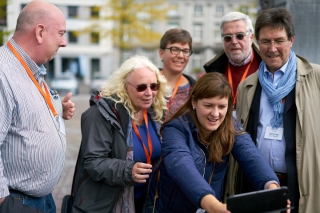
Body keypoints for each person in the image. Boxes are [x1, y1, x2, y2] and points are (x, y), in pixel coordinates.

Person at [144, 72, 282, 213]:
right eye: (208, 105)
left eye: (222, 107)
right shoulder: (175, 129)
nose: (215, 114)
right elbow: (182, 166)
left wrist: (272, 189)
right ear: (194, 102)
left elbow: (250, 154)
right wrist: (212, 205)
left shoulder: (230, 126)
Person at [234, 7, 320, 213]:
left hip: (301, 186)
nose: (272, 48)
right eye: (265, 41)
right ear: (257, 42)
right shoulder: (247, 87)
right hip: (257, 185)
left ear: (292, 40)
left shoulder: (316, 78)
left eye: (279, 40)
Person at [0, 0, 75, 212]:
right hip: (16, 203)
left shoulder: (32, 68)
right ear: (40, 32)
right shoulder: (3, 72)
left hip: (41, 200)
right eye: (60, 33)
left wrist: (58, 110)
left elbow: (22, 114)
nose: (64, 42)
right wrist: (6, 206)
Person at [71, 55, 169, 213]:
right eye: (141, 87)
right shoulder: (101, 113)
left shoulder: (155, 112)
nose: (149, 93)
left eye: (154, 86)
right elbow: (93, 162)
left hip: (146, 201)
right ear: (124, 87)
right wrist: (128, 171)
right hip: (108, 204)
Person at [203, 12, 261, 110]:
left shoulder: (267, 66)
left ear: (251, 38)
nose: (234, 42)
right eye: (228, 37)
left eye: (240, 36)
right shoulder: (213, 72)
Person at [159, 28, 196, 119]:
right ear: (161, 53)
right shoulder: (146, 84)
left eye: (185, 51)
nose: (180, 55)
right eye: (175, 49)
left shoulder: (194, 90)